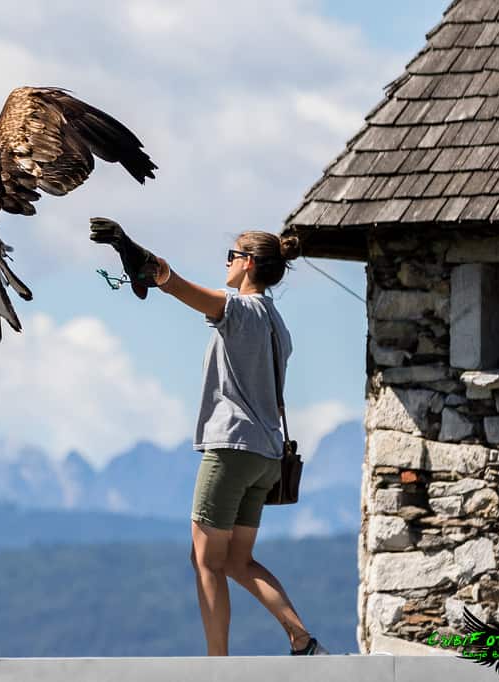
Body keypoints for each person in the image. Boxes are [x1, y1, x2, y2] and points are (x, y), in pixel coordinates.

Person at [89, 217, 327, 657]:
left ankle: (217, 664)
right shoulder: (280, 327)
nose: (227, 262)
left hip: (232, 450)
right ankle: (301, 638)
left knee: (205, 561)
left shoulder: (238, 310)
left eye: (232, 255)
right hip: (267, 457)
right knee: (238, 560)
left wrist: (135, 251)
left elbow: (175, 285)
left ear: (249, 264)